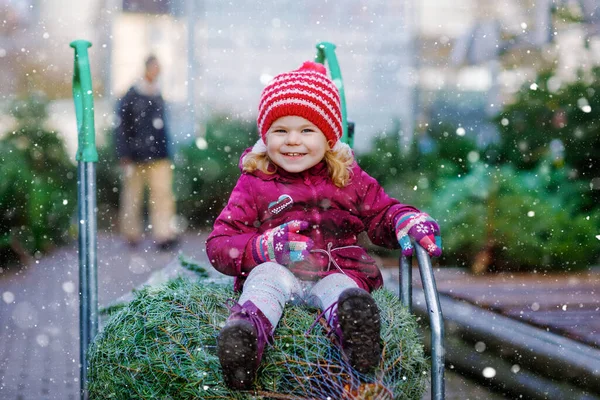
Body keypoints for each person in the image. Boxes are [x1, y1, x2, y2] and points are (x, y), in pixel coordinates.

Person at [205, 61, 442, 390]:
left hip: (336, 268)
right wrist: (258, 248)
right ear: (264, 135)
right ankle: (244, 343)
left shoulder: (347, 177)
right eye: (280, 130)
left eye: (306, 131)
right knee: (266, 281)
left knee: (342, 291)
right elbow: (220, 242)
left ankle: (358, 336)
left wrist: (403, 219)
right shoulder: (255, 181)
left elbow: (380, 212)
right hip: (280, 268)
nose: (292, 141)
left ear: (328, 136)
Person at [115, 54, 178, 251]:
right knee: (132, 195)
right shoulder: (132, 95)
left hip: (159, 154)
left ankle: (163, 233)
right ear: (146, 68)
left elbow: (162, 127)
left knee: (162, 194)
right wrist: (123, 152)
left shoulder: (158, 93)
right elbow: (121, 126)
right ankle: (131, 234)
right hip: (135, 155)